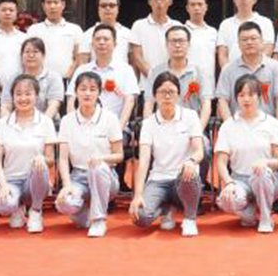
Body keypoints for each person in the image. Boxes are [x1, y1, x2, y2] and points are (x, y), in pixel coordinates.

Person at [130, 71, 204, 237]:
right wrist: (138, 195)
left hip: (182, 178)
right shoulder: (148, 124)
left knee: (189, 174)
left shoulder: (190, 116)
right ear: (155, 95)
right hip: (158, 180)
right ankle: (165, 208)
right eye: (162, 92)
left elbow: (199, 150)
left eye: (171, 92)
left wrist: (191, 161)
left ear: (178, 95)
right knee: (139, 217)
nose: (167, 96)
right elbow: (143, 162)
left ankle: (190, 219)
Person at [214, 74, 278, 234]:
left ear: (259, 97)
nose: (246, 99)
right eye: (241, 95)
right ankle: (250, 210)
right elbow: (221, 162)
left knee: (261, 174)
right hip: (240, 180)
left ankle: (266, 217)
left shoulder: (272, 123)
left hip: (267, 179)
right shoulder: (228, 125)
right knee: (226, 200)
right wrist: (229, 182)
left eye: (251, 94)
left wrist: (266, 163)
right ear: (236, 98)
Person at [56, 71, 123, 238]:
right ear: (76, 92)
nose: (87, 93)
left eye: (92, 89)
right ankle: (86, 215)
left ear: (99, 92)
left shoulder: (110, 118)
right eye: (83, 89)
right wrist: (67, 185)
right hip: (78, 177)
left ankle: (98, 220)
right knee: (64, 203)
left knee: (98, 168)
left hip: (105, 176)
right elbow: (63, 159)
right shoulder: (67, 120)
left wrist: (102, 159)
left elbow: (119, 155)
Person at [142, 26, 213, 178]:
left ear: (189, 44)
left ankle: (198, 184)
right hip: (162, 126)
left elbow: (206, 105)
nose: (177, 45)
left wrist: (197, 131)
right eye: (173, 41)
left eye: (181, 41)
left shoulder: (199, 72)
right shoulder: (156, 72)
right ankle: (155, 183)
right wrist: (148, 128)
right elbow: (149, 103)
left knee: (205, 147)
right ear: (166, 45)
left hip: (192, 127)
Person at [0, 74, 57, 234]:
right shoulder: (3, 123)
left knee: (40, 165)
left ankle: (35, 211)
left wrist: (42, 158)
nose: (23, 98)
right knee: (4, 205)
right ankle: (17, 208)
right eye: (18, 94)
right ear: (12, 97)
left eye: (28, 94)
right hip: (11, 180)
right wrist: (3, 185)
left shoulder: (45, 122)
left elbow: (50, 159)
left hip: (34, 179)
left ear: (36, 96)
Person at [67, 24, 139, 132]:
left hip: (115, 127)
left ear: (115, 44)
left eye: (106, 39)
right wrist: (74, 127)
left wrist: (118, 129)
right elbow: (71, 100)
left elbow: (130, 101)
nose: (101, 42)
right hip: (84, 126)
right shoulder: (82, 70)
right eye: (98, 39)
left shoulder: (126, 70)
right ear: (92, 44)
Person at [216, 21, 278, 125]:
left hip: (268, 126)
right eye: (244, 39)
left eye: (253, 38)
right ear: (238, 44)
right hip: (238, 126)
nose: (249, 42)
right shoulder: (228, 69)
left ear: (262, 41)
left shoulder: (276, 67)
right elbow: (223, 101)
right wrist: (230, 126)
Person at [0, 38, 64, 120]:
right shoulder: (12, 78)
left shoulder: (54, 77)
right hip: (18, 122)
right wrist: (6, 122)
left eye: (35, 52)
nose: (31, 55)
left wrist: (43, 123)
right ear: (21, 56)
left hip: (48, 121)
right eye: (27, 52)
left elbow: (53, 105)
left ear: (43, 55)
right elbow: (6, 106)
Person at [25, 0, 83, 81]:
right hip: (39, 80)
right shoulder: (34, 30)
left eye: (56, 2)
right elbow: (28, 55)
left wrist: (70, 74)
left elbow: (79, 57)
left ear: (63, 5)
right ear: (43, 6)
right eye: (48, 3)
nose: (52, 6)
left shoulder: (75, 29)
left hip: (66, 79)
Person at [77, 0, 139, 75]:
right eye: (103, 5)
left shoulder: (128, 34)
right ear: (98, 9)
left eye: (112, 5)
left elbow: (133, 63)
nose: (108, 8)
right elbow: (82, 63)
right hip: (96, 80)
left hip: (121, 79)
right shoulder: (88, 34)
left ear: (118, 9)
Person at [216, 0, 275, 69]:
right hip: (233, 73)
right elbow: (222, 54)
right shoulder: (225, 24)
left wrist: (254, 69)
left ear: (254, 0)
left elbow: (268, 49)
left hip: (258, 72)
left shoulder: (265, 22)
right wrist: (229, 72)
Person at [130, 0, 182, 79]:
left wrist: (170, 79)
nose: (159, 2)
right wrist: (153, 76)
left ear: (170, 2)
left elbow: (181, 55)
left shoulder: (178, 26)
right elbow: (136, 57)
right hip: (147, 82)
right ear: (149, 2)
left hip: (173, 82)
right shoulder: (139, 25)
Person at [182, 0, 218, 88]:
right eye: (192, 5)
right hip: (186, 84)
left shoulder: (213, 32)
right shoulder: (180, 31)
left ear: (206, 7)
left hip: (208, 85)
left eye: (200, 4)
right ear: (187, 8)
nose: (196, 8)